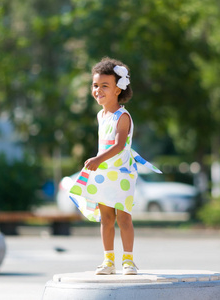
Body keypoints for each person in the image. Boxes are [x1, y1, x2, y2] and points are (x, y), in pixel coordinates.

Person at [69, 57, 161, 275]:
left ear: (118, 89)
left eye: (104, 86)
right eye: (95, 85)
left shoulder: (123, 115)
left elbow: (120, 145)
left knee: (124, 217)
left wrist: (97, 159)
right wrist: (99, 163)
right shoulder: (102, 115)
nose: (97, 90)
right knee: (106, 218)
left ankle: (128, 261)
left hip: (121, 174)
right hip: (104, 175)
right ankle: (108, 260)